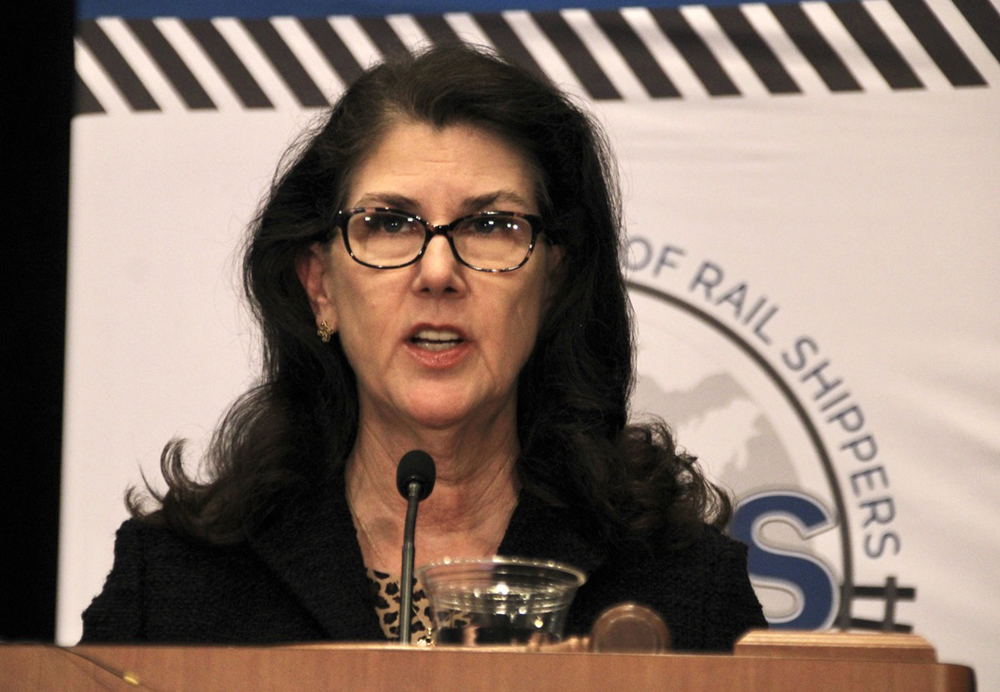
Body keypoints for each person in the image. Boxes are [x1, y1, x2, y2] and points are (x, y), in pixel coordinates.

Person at [81, 43, 766, 650]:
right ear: (320, 286)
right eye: (390, 223)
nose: (438, 272)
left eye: (491, 224)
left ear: (554, 280)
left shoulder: (681, 585)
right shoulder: (172, 583)